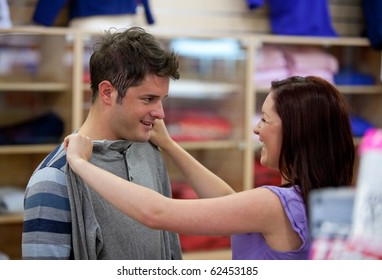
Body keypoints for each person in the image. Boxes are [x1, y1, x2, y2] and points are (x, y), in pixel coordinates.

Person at [64, 76, 355, 260]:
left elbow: (156, 213)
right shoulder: (318, 200)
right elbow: (228, 201)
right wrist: (170, 145)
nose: (256, 129)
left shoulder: (274, 205)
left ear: (295, 132)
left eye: (265, 120)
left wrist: (80, 163)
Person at [22, 26, 182, 260]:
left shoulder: (148, 152)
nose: (160, 113)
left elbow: (169, 250)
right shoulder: (53, 180)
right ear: (107, 92)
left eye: (162, 100)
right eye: (149, 99)